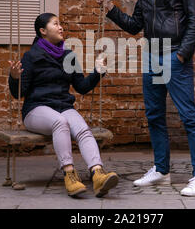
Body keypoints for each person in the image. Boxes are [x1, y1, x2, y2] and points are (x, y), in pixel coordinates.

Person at [96, 0, 195, 196]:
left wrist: (182, 54)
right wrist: (109, 7)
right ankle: (161, 171)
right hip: (151, 57)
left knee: (188, 116)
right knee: (154, 116)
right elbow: (135, 25)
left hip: (174, 56)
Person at [8, 13, 119, 198]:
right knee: (60, 122)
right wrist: (14, 77)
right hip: (36, 110)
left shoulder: (69, 56)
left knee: (83, 129)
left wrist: (98, 72)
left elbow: (81, 87)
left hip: (62, 106)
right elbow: (18, 93)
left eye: (61, 24)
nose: (61, 27)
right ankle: (69, 175)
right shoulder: (31, 56)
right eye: (55, 24)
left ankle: (98, 174)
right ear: (43, 31)